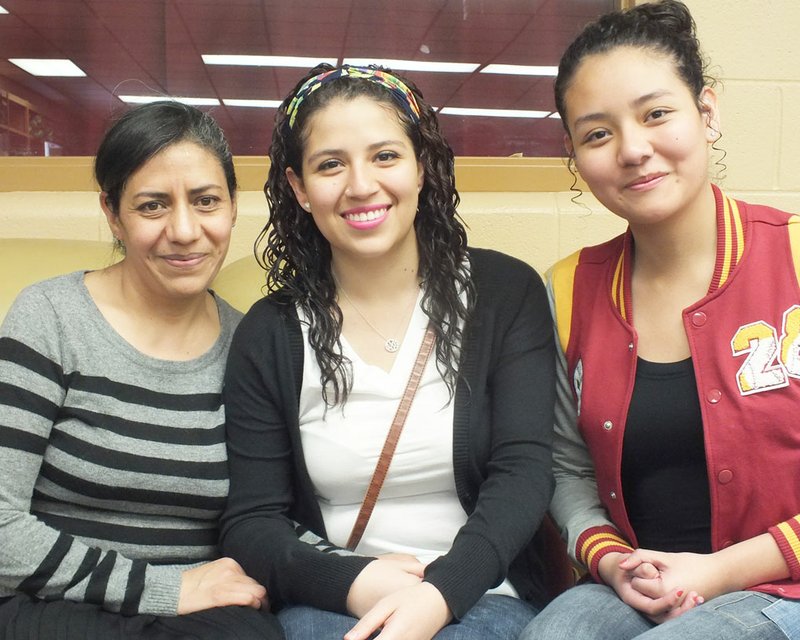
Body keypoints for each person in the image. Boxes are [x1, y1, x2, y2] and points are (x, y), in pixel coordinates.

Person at [219, 64, 556, 640]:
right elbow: (252, 522)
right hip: (333, 603)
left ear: (421, 166)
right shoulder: (270, 332)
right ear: (299, 188)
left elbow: (524, 473)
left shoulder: (505, 294)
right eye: (331, 164)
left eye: (385, 156)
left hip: (484, 597)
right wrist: (354, 582)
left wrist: (439, 594)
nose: (360, 185)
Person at [518, 2, 800, 639]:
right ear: (574, 155)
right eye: (598, 134)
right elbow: (568, 468)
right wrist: (610, 559)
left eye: (656, 114)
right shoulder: (567, 290)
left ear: (707, 112)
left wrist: (716, 572)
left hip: (786, 585)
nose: (633, 149)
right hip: (644, 582)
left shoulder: (793, 256)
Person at [0, 101, 282, 639]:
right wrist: (166, 589)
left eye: (205, 201)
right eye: (153, 206)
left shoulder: (253, 343)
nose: (184, 230)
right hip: (49, 604)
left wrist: (359, 572)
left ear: (232, 206)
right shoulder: (50, 318)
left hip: (196, 621)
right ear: (112, 212)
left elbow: (273, 512)